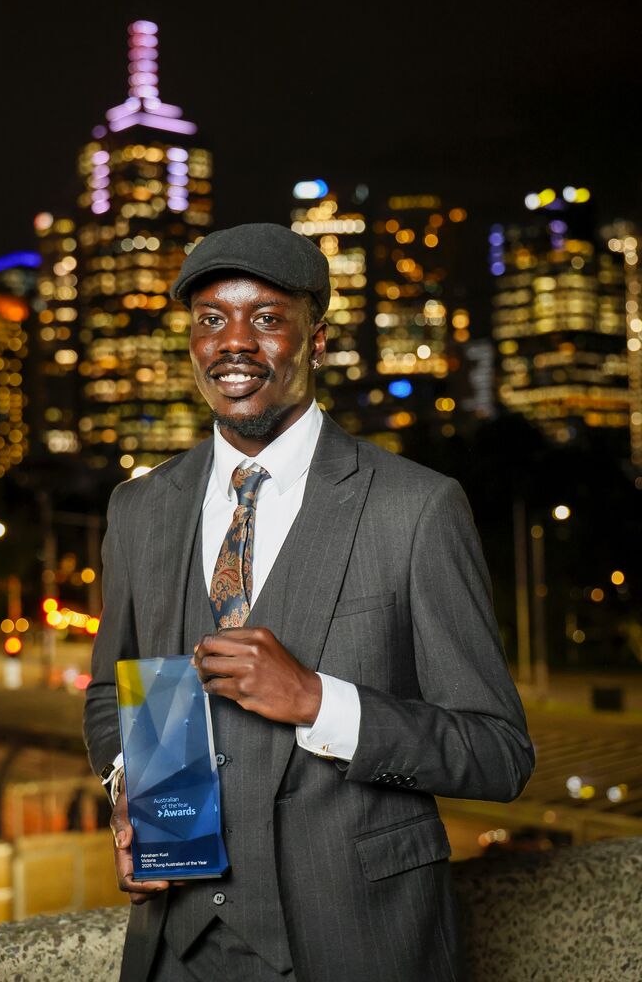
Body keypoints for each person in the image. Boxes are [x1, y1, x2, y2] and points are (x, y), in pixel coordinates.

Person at [84, 222, 534, 982]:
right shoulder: (140, 508)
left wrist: (320, 702)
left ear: (315, 341)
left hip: (354, 943)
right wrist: (132, 785)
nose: (234, 341)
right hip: (175, 948)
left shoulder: (415, 507)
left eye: (265, 318)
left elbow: (498, 752)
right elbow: (108, 691)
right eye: (210, 319)